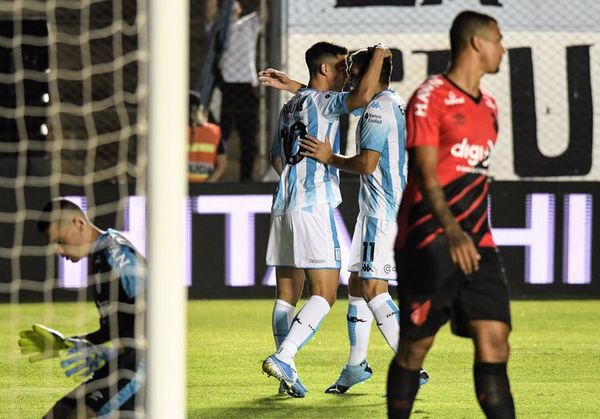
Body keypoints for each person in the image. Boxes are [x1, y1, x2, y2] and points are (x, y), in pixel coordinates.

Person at [388, 11, 514, 418]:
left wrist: (469, 234)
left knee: (496, 342)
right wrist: (453, 232)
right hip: (429, 239)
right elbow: (424, 174)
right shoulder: (430, 96)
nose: (502, 48)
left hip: (479, 242)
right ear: (476, 43)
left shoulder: (490, 106)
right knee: (416, 346)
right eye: (497, 39)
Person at [260, 41, 391, 398]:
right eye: (341, 65)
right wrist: (378, 54)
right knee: (326, 293)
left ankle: (288, 376)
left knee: (286, 295)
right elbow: (363, 97)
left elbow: (275, 157)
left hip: (283, 206)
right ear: (323, 70)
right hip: (313, 207)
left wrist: (291, 85)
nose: (347, 72)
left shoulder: (290, 108)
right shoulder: (324, 103)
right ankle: (285, 356)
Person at [299, 48, 428, 395]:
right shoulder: (394, 101)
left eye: (353, 71)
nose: (349, 78)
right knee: (357, 283)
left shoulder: (376, 111)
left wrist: (329, 158)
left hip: (382, 213)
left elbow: (367, 164)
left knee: (373, 288)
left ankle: (411, 364)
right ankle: (356, 366)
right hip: (380, 210)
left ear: (369, 73)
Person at [19, 198, 146, 418]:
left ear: (79, 223)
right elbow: (116, 329)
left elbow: (156, 315)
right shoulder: (99, 258)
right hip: (118, 363)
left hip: (139, 367)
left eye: (60, 240)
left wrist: (109, 351)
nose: (57, 250)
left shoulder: (115, 254)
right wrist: (69, 343)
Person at [218, 0, 261, 182]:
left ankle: (246, 178)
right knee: (220, 136)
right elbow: (209, 12)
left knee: (248, 137)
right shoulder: (218, 28)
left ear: (239, 9)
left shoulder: (248, 24)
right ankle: (214, 175)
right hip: (225, 88)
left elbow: (263, 14)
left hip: (245, 88)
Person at [188, 91, 227, 182]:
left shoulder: (173, 132)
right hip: (205, 186)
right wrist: (209, 183)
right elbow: (222, 164)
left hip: (178, 188)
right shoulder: (214, 132)